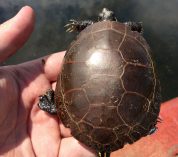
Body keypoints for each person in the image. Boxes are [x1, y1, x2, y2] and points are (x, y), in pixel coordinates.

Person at [1, 6, 178, 157]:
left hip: (81, 114)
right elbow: (137, 28)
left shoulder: (89, 30)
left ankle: (56, 106)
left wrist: (79, 26)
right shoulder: (129, 31)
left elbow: (88, 28)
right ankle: (143, 122)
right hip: (130, 115)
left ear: (99, 19)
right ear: (114, 19)